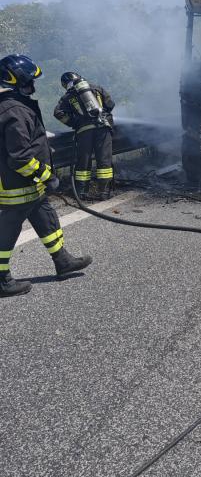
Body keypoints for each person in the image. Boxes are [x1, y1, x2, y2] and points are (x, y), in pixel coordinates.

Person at [0, 54, 93, 297]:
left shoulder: (15, 105)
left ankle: (62, 260)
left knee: (44, 214)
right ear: (16, 80)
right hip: (15, 184)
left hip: (27, 182)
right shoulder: (13, 110)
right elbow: (19, 156)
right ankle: (1, 280)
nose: (33, 85)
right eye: (29, 81)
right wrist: (46, 175)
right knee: (8, 229)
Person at [54, 72, 115, 200]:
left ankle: (81, 192)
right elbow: (110, 104)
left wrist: (74, 122)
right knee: (104, 161)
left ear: (66, 84)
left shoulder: (68, 96)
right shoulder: (97, 88)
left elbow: (58, 112)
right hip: (103, 128)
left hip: (84, 132)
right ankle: (104, 192)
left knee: (83, 162)